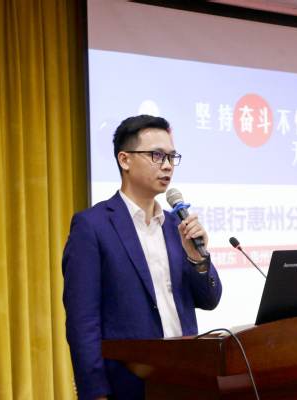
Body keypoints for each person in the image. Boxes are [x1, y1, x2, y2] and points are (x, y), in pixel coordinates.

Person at [62, 115, 222, 400]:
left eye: (172, 157)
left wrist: (198, 259)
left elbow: (209, 300)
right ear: (124, 160)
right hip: (129, 385)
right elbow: (82, 321)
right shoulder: (93, 226)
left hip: (188, 379)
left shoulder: (177, 227)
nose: (168, 165)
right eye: (157, 155)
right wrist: (95, 393)